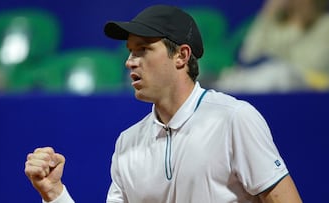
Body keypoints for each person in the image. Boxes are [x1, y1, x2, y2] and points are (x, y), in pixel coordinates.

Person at [24, 4, 303, 203]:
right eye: (130, 52)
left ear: (181, 55)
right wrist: (54, 193)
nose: (129, 61)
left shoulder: (234, 119)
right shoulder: (127, 143)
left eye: (143, 49)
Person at [214, 0, 329, 93]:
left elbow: (311, 64)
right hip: (265, 80)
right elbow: (248, 55)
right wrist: (266, 14)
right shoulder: (273, 22)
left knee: (278, 73)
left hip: (311, 87)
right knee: (231, 80)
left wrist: (299, 23)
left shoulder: (325, 24)